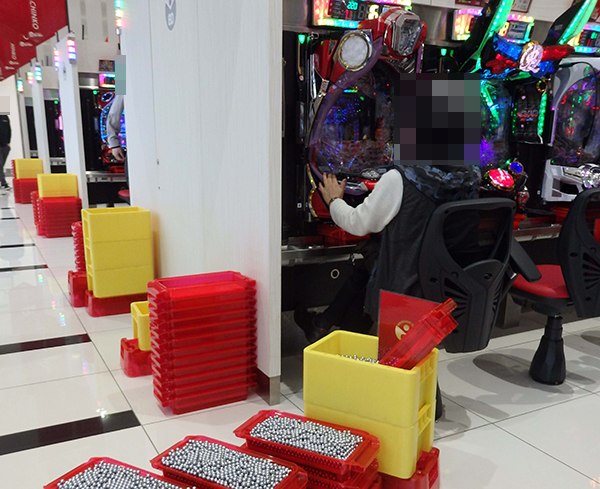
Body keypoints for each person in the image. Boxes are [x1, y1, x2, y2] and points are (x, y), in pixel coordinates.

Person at [294, 165, 481, 342]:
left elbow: (358, 224)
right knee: (372, 258)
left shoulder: (400, 178)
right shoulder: (472, 176)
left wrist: (334, 201)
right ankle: (328, 325)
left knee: (374, 253)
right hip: (451, 286)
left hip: (406, 291)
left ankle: (329, 327)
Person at [0, 115, 11, 191]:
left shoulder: (5, 117)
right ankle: (3, 183)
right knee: (0, 164)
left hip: (4, 145)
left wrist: (8, 142)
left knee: (1, 164)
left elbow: (9, 130)